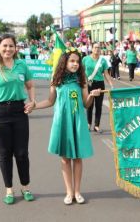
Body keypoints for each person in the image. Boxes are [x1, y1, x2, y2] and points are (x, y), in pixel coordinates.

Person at [34, 48, 101, 205]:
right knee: (65, 159)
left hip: (77, 122)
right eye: (72, 61)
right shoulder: (56, 80)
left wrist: (91, 95)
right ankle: (69, 192)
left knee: (77, 158)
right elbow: (50, 101)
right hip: (62, 122)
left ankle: (77, 192)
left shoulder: (82, 80)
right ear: (64, 62)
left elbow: (86, 104)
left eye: (77, 61)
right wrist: (34, 106)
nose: (75, 64)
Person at [0, 34, 36, 205]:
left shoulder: (21, 65)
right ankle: (9, 189)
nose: (8, 49)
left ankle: (25, 187)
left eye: (11, 46)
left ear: (15, 48)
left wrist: (32, 102)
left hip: (19, 111)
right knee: (5, 154)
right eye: (4, 46)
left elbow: (30, 85)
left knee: (22, 153)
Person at [82, 43, 113, 133]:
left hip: (99, 84)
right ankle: (88, 124)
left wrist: (111, 84)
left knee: (98, 105)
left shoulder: (103, 60)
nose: (97, 49)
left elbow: (106, 74)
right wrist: (83, 82)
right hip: (89, 84)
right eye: (95, 47)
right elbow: (82, 72)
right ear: (92, 48)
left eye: (99, 48)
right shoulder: (85, 59)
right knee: (89, 105)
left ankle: (97, 125)